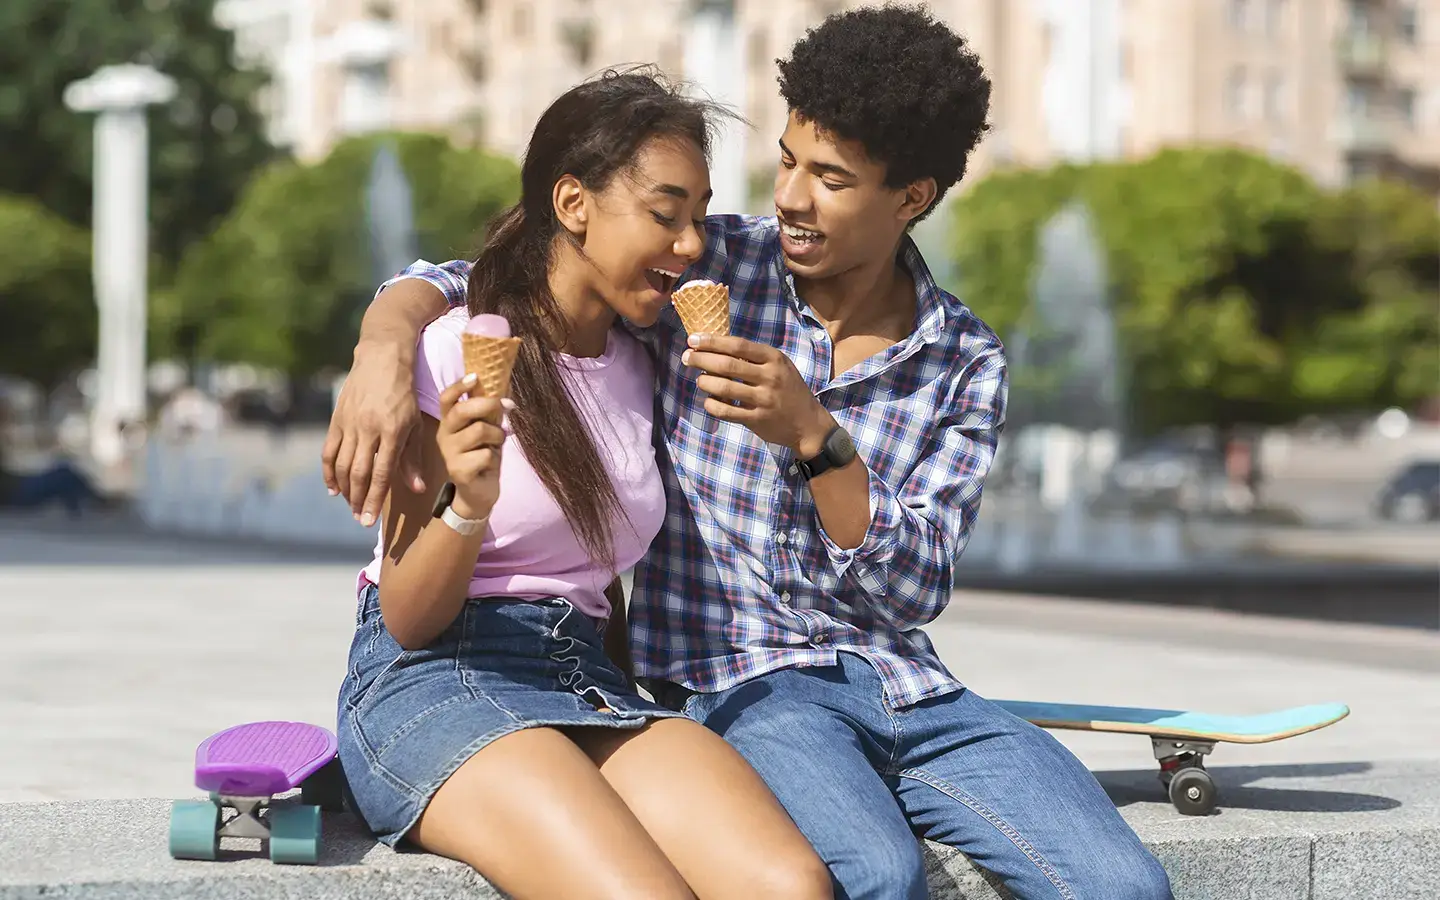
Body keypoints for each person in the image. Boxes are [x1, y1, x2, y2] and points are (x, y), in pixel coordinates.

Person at [327, 9, 1173, 900]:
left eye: (831, 178)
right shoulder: (709, 272)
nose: (789, 198)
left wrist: (817, 438)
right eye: (787, 161)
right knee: (868, 878)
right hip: (720, 684)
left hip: (882, 682)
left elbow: (918, 587)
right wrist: (382, 346)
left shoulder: (962, 358)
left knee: (1122, 888)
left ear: (911, 198)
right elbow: (514, 268)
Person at [335, 69, 831, 900]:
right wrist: (467, 504)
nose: (691, 246)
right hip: (438, 675)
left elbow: (602, 582)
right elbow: (408, 618)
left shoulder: (646, 365)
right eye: (665, 215)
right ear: (573, 205)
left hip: (584, 677)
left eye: (700, 219)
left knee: (790, 885)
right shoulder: (450, 352)